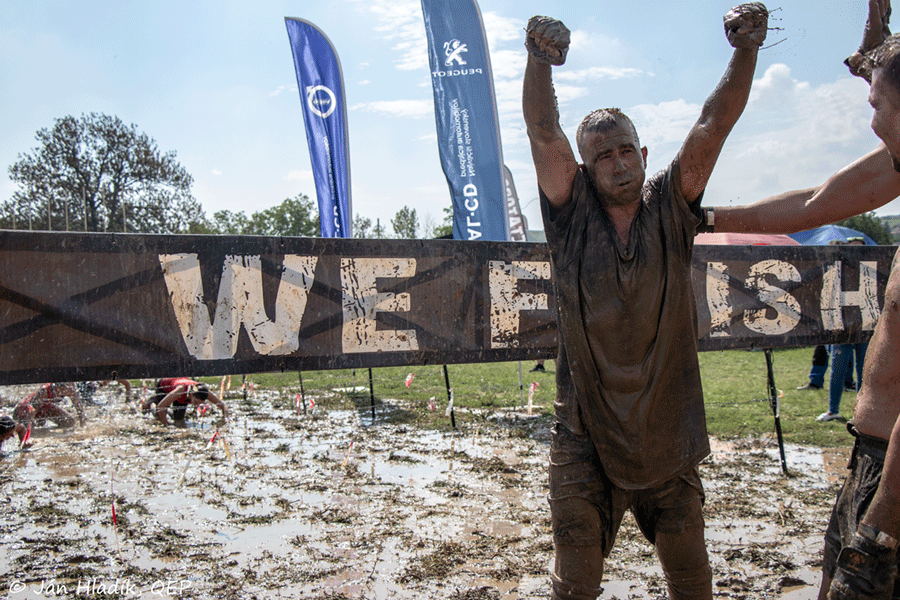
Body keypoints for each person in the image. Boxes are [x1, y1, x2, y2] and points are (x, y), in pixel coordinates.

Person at [522, 4, 768, 599]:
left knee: (691, 576)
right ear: (586, 169)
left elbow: (713, 123)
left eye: (625, 150)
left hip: (667, 430)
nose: (618, 164)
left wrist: (746, 51)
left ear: (644, 153)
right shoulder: (571, 216)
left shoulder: (671, 208)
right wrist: (538, 61)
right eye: (603, 156)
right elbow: (544, 132)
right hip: (583, 432)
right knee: (574, 582)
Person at [709, 2, 900, 597]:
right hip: (873, 460)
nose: (871, 121)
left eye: (877, 103)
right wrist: (704, 217)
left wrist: (880, 531)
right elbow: (814, 203)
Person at [141, 377, 228, 428]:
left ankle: (170, 412)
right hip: (165, 387)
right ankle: (151, 402)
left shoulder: (204, 392)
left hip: (181, 397)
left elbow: (223, 406)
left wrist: (225, 419)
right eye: (195, 402)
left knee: (179, 422)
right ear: (192, 394)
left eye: (198, 404)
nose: (195, 405)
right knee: (158, 415)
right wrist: (166, 425)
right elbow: (161, 406)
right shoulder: (181, 390)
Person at [13, 382, 84, 429]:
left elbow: (79, 407)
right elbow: (32, 411)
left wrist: (82, 424)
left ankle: (45, 429)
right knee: (31, 429)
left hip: (45, 407)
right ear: (59, 387)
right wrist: (29, 428)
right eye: (66, 388)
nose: (70, 390)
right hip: (25, 409)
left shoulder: (69, 388)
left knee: (69, 422)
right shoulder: (44, 391)